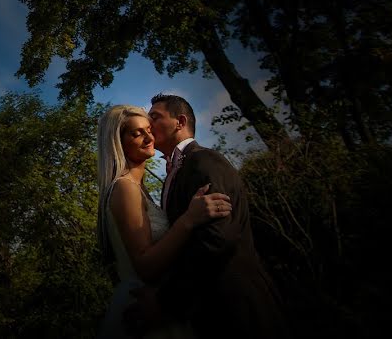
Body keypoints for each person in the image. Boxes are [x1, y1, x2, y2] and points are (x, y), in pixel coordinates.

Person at [129, 94, 289, 339]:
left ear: (180, 122)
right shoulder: (173, 174)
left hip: (238, 309)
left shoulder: (204, 161)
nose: (148, 125)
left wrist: (165, 301)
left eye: (155, 117)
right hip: (207, 312)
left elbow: (216, 241)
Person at [97, 105, 233, 338]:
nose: (149, 137)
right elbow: (146, 267)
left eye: (149, 129)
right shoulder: (124, 188)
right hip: (145, 308)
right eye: (136, 133)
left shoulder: (140, 189)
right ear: (118, 143)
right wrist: (189, 219)